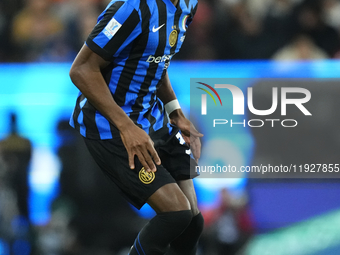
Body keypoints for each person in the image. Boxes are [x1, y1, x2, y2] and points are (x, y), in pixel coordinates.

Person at [68, 0, 204, 254]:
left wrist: (175, 111)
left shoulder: (188, 5)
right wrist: (127, 127)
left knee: (193, 222)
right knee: (176, 214)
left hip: (152, 118)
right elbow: (82, 69)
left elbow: (155, 61)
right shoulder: (133, 7)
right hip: (111, 125)